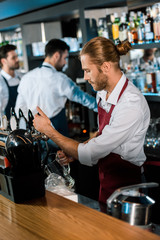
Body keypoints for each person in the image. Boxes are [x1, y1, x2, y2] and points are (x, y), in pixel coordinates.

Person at [33, 37, 150, 204]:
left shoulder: (130, 104)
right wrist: (76, 151)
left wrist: (49, 130)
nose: (85, 77)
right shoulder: (102, 93)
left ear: (106, 67)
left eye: (88, 70)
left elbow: (90, 154)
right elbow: (102, 136)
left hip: (128, 188)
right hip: (107, 181)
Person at [15, 39, 97, 138]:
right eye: (65, 58)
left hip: (34, 133)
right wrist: (105, 108)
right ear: (57, 55)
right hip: (56, 131)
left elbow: (19, 110)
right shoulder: (60, 79)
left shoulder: (26, 78)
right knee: (61, 153)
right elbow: (85, 99)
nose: (65, 63)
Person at [0, 44, 23, 119]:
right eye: (13, 58)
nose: (17, 60)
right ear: (3, 61)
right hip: (8, 127)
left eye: (17, 56)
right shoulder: (1, 82)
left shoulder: (22, 77)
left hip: (25, 124)